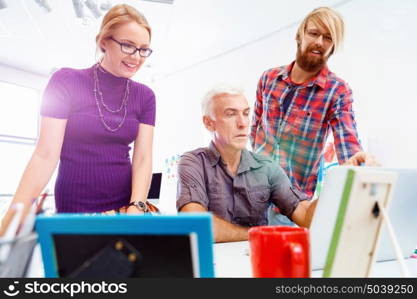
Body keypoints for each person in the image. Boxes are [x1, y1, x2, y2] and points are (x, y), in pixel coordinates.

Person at [1, 4, 155, 232]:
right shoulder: (65, 81)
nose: (137, 57)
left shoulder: (145, 96)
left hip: (124, 208)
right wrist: (10, 222)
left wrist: (136, 206)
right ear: (103, 41)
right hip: (75, 210)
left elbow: (142, 159)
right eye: (128, 46)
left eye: (144, 49)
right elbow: (45, 155)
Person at [250, 7, 377, 225]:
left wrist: (358, 164)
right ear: (299, 35)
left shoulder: (337, 91)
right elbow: (255, 132)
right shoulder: (268, 79)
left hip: (291, 210)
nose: (319, 41)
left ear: (333, 47)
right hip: (252, 200)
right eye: (314, 33)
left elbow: (348, 146)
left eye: (328, 38)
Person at [176, 87, 317, 243]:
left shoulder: (267, 166)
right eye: (230, 114)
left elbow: (305, 216)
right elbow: (195, 225)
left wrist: (337, 181)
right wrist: (260, 235)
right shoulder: (193, 163)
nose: (243, 123)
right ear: (209, 123)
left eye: (245, 113)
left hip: (255, 262)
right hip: (215, 263)